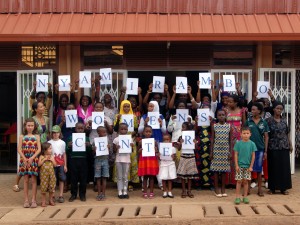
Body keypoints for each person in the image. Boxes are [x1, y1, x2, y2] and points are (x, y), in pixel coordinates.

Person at [266, 102, 292, 195]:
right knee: (273, 167)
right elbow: (266, 135)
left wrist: (290, 144)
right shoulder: (268, 120)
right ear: (273, 109)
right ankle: (272, 188)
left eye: (281, 109)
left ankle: (283, 188)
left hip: (284, 146)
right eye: (277, 108)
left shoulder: (284, 120)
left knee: (284, 168)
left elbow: (287, 133)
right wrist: (265, 149)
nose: (279, 110)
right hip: (273, 146)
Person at [245, 102, 269, 197]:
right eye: (252, 109)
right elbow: (245, 134)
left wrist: (266, 151)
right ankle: (248, 190)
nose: (252, 111)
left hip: (260, 148)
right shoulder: (248, 121)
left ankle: (259, 189)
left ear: (259, 111)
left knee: (259, 170)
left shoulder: (264, 122)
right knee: (249, 169)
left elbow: (266, 137)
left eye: (254, 109)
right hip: (249, 149)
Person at [113, 100, 139, 188]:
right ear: (121, 107)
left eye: (128, 106)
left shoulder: (134, 117)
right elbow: (115, 129)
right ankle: (120, 182)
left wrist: (134, 134)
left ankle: (130, 182)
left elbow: (136, 129)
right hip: (121, 140)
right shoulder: (118, 116)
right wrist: (118, 120)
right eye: (124, 106)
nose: (126, 108)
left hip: (131, 140)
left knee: (130, 160)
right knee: (121, 159)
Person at [17, 118, 41, 208]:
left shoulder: (37, 136)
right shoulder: (21, 136)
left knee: (34, 180)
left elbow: (39, 149)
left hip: (33, 160)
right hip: (24, 160)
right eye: (28, 125)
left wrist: (32, 158)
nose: (30, 127)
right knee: (26, 180)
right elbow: (19, 149)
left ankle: (34, 200)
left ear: (34, 126)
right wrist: (25, 158)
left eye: (32, 125)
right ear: (25, 126)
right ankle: (26, 200)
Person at [67, 122, 93, 202]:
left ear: (84, 129)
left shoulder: (86, 138)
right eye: (78, 128)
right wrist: (68, 146)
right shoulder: (71, 138)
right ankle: (73, 194)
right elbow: (67, 151)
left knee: (83, 178)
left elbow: (89, 151)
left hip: (83, 160)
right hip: (73, 160)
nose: (80, 130)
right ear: (75, 129)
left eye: (82, 128)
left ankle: (82, 194)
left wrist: (89, 146)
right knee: (73, 178)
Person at [210, 109, 232, 197]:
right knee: (215, 171)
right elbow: (212, 140)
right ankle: (216, 189)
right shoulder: (214, 126)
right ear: (217, 116)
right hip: (216, 150)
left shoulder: (229, 126)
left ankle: (223, 189)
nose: (221, 116)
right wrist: (211, 152)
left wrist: (230, 152)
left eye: (223, 115)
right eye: (219, 115)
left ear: (225, 116)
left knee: (224, 171)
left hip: (225, 150)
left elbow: (230, 140)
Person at [226, 94, 246, 186]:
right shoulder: (225, 110)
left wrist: (244, 137)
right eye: (228, 101)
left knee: (237, 158)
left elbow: (244, 125)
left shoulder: (242, 111)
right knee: (228, 157)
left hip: (238, 138)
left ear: (236, 102)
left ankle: (237, 181)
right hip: (227, 137)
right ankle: (228, 181)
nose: (228, 103)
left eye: (230, 102)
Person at [234, 126, 257, 205]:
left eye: (247, 133)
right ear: (241, 134)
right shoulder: (238, 144)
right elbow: (236, 155)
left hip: (247, 167)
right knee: (239, 181)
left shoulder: (252, 144)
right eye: (244, 133)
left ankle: (245, 197)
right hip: (239, 166)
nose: (246, 135)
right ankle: (237, 197)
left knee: (246, 182)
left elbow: (253, 156)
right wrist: (236, 165)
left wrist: (251, 166)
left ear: (250, 134)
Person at [176, 122, 199, 198]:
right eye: (182, 127)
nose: (182, 128)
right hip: (183, 156)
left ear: (188, 129)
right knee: (183, 175)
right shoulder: (180, 137)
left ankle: (189, 190)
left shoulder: (192, 137)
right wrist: (180, 143)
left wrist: (195, 143)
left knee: (190, 176)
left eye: (183, 127)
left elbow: (195, 148)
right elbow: (178, 149)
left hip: (191, 156)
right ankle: (183, 190)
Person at [138, 125, 159, 199]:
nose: (148, 133)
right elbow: (138, 151)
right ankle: (145, 192)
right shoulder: (141, 142)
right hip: (144, 160)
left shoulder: (154, 141)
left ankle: (151, 192)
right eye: (146, 131)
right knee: (145, 177)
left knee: (152, 177)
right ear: (143, 132)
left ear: (152, 133)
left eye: (149, 132)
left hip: (152, 160)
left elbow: (157, 151)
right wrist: (139, 151)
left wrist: (156, 150)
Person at [113, 123, 134, 199]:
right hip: (118, 159)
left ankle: (125, 191)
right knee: (119, 176)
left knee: (125, 176)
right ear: (118, 130)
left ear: (127, 130)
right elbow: (114, 150)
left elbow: (131, 150)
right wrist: (116, 147)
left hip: (127, 159)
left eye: (125, 129)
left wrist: (132, 146)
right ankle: (119, 191)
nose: (123, 130)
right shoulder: (116, 139)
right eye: (121, 129)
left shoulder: (130, 139)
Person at [48, 125, 67, 203]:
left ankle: (61, 195)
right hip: (52, 164)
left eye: (57, 133)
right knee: (52, 180)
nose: (55, 134)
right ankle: (52, 195)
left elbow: (64, 154)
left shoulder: (62, 142)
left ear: (60, 133)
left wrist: (65, 165)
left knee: (61, 179)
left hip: (61, 164)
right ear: (52, 133)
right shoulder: (49, 142)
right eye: (54, 133)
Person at [94, 126, 110, 201]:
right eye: (102, 132)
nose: (104, 133)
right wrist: (94, 149)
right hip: (97, 160)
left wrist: (108, 147)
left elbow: (109, 151)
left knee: (104, 177)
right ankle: (99, 193)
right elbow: (93, 152)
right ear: (98, 133)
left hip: (105, 160)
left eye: (105, 132)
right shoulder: (95, 141)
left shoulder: (107, 140)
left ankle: (103, 193)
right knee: (98, 177)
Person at [38, 143, 57, 207]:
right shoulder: (41, 156)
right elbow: (39, 164)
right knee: (44, 188)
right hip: (44, 176)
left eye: (51, 148)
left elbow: (55, 165)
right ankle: (43, 201)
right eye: (50, 148)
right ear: (45, 150)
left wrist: (52, 160)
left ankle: (50, 200)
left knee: (51, 188)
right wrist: (44, 159)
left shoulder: (52, 156)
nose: (51, 150)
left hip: (51, 175)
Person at [158, 134, 177, 198]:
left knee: (170, 178)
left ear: (170, 140)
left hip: (170, 164)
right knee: (164, 178)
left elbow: (175, 158)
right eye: (164, 140)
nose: (166, 141)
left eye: (167, 139)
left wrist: (173, 156)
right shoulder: (161, 148)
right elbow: (159, 158)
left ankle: (169, 191)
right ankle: (164, 191)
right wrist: (159, 155)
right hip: (163, 164)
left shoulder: (173, 148)